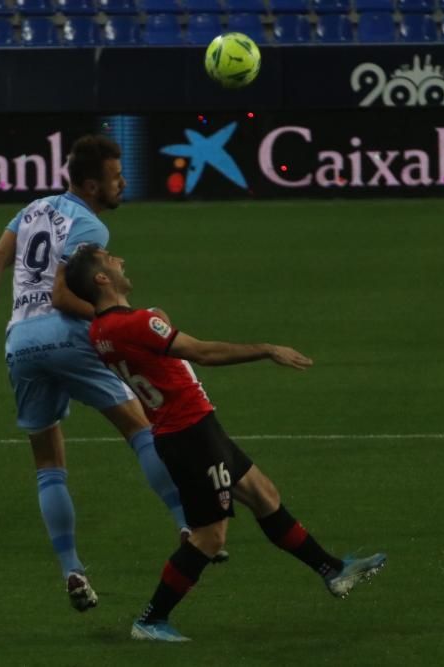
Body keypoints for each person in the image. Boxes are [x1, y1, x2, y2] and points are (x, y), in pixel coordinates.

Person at [64, 245, 388, 642]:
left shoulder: (101, 330)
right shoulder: (137, 323)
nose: (120, 261)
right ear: (101, 278)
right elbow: (201, 352)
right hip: (191, 436)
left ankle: (332, 570)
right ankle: (149, 620)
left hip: (190, 430)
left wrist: (155, 321)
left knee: (263, 493)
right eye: (111, 259)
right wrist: (267, 349)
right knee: (210, 536)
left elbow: (146, 346)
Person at [0, 134, 194, 613]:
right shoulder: (91, 228)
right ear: (91, 185)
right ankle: (187, 524)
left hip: (20, 342)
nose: (122, 183)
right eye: (114, 177)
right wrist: (123, 323)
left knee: (48, 463)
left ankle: (71, 568)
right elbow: (64, 295)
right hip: (66, 336)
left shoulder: (33, 209)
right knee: (139, 428)